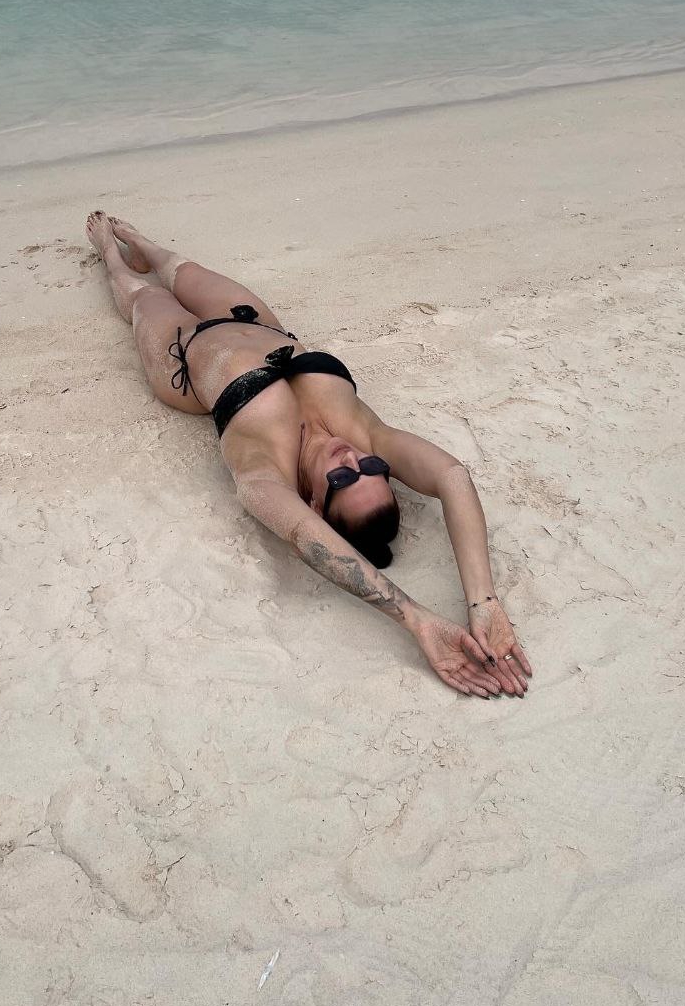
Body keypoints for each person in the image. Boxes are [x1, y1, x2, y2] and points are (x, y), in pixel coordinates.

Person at [85, 211, 532, 698]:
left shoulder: (265, 471)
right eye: (371, 469)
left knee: (140, 294)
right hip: (255, 321)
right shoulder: (368, 435)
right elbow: (452, 477)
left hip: (183, 357)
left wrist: (418, 619)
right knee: (175, 265)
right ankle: (139, 241)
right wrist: (484, 601)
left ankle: (109, 251)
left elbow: (307, 539)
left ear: (315, 503)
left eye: (342, 480)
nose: (351, 460)